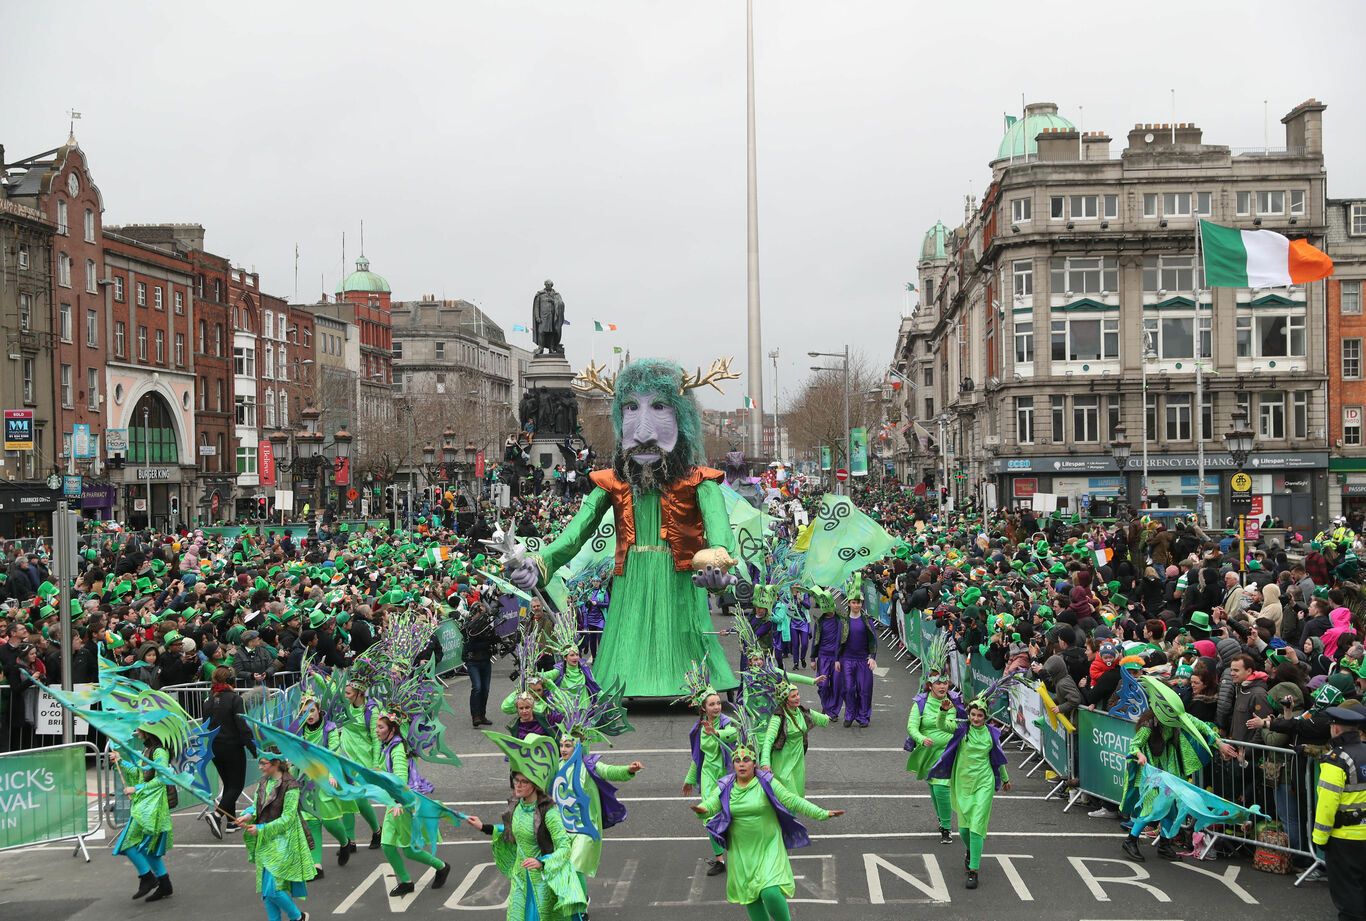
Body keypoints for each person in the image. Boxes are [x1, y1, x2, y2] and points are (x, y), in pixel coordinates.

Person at [690, 743, 842, 921]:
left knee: (770, 892)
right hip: (742, 851)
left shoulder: (766, 782)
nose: (741, 764)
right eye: (737, 760)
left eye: (746, 760)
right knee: (751, 898)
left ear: (754, 763)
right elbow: (710, 804)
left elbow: (791, 800)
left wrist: (822, 813)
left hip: (769, 846)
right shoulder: (726, 786)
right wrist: (702, 810)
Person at [465, 734, 587, 921]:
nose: (518, 785)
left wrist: (543, 862)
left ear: (535, 785)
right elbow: (512, 831)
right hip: (521, 878)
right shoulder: (516, 806)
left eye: (523, 782)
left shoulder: (549, 812)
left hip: (543, 883)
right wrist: (484, 827)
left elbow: (564, 847)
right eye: (516, 780)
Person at [1119, 677, 1234, 862]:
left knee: (1170, 809)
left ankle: (1164, 844)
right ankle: (1131, 841)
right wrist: (1139, 755)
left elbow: (1201, 726)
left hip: (1170, 773)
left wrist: (1219, 743)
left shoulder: (1177, 718)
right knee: (1152, 808)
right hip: (1151, 774)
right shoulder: (1150, 724)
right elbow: (1135, 745)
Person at [929, 695, 1011, 889]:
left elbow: (998, 757)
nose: (975, 718)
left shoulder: (991, 733)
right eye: (973, 714)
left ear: (985, 717)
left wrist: (1005, 778)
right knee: (964, 829)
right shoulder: (961, 729)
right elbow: (942, 725)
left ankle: (973, 870)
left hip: (984, 783)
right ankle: (970, 851)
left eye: (980, 715)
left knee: (976, 827)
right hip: (963, 783)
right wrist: (943, 710)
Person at [376, 712, 451, 897]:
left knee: (409, 851)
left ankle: (441, 867)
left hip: (402, 805)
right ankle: (407, 882)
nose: (376, 731)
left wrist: (397, 803)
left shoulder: (397, 750)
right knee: (387, 845)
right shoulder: (387, 746)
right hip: (393, 803)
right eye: (377, 727)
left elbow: (401, 779)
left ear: (392, 730)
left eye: (380, 727)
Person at [236, 750, 316, 921]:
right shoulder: (264, 781)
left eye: (263, 763)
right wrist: (248, 815)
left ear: (276, 763)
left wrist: (261, 829)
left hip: (285, 841)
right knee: (267, 892)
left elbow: (287, 819)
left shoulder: (291, 786)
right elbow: (257, 806)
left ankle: (298, 917)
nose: (260, 767)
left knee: (272, 889)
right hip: (266, 840)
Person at [1313, 704, 1366, 921]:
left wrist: (1320, 839)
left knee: (1349, 899)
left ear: (1335, 729)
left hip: (1345, 838)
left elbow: (1327, 804)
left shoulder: (1337, 760)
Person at [110, 728, 176, 902]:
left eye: (140, 727)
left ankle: (148, 877)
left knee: (127, 843)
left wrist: (137, 788)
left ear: (149, 729)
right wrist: (121, 761)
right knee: (148, 847)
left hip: (152, 808)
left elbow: (162, 778)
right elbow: (140, 774)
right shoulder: (147, 749)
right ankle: (164, 883)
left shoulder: (159, 751)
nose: (136, 730)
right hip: (145, 805)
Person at [682, 680, 739, 877]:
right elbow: (698, 757)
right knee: (709, 816)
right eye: (712, 704)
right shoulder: (699, 728)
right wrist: (690, 779)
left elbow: (733, 734)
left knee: (733, 815)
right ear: (703, 708)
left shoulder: (726, 722)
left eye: (718, 703)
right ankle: (719, 860)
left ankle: (740, 854)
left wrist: (716, 732)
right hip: (708, 774)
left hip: (726, 775)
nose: (717, 707)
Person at [904, 663, 965, 843]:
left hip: (949, 752)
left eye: (945, 683)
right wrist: (922, 739)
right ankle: (941, 818)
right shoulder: (921, 703)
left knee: (941, 787)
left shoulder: (955, 701)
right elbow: (911, 727)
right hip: (928, 753)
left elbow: (960, 725)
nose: (942, 686)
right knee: (932, 785)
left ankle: (946, 827)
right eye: (937, 683)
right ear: (930, 685)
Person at [293, 698, 352, 874]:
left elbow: (335, 751)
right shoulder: (298, 730)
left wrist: (334, 774)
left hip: (326, 777)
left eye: (311, 711)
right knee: (311, 822)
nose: (308, 715)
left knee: (329, 821)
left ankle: (345, 842)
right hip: (306, 779)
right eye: (304, 712)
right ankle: (316, 865)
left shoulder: (330, 728)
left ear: (319, 711)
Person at [204, 665, 257, 837]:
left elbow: (206, 726)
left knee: (229, 784)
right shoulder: (235, 699)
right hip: (232, 747)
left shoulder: (208, 700)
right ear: (230, 681)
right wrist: (253, 748)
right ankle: (217, 814)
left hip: (214, 748)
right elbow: (242, 726)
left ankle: (231, 821)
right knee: (236, 785)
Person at [759, 676, 830, 797]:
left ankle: (791, 815)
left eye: (797, 694)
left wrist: (827, 718)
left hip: (798, 757)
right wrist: (765, 762)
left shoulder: (801, 712)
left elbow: (822, 719)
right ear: (785, 700)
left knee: (797, 790)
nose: (798, 698)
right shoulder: (778, 718)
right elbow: (768, 740)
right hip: (783, 759)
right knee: (787, 791)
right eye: (793, 696)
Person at [337, 682, 383, 851]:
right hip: (344, 756)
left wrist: (376, 763)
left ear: (359, 693)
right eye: (345, 693)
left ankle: (377, 830)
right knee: (346, 798)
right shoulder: (345, 705)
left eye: (349, 693)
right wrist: (314, 673)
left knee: (359, 799)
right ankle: (350, 841)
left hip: (363, 760)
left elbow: (376, 737)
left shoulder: (371, 710)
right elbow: (331, 686)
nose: (345, 696)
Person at [834, 595, 877, 728]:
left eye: (859, 603)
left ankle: (863, 716)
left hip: (863, 659)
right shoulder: (844, 621)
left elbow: (873, 640)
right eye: (854, 603)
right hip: (847, 659)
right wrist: (836, 659)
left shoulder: (867, 621)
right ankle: (849, 714)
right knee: (848, 688)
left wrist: (872, 658)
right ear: (849, 604)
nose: (856, 605)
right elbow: (838, 641)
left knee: (864, 689)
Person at [459, 601, 496, 728]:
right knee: (477, 687)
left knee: (485, 689)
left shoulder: (486, 626)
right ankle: (475, 715)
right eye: (481, 613)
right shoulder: (469, 627)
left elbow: (492, 641)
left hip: (485, 660)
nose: (483, 616)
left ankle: (482, 715)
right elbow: (470, 645)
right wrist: (486, 642)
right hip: (473, 661)